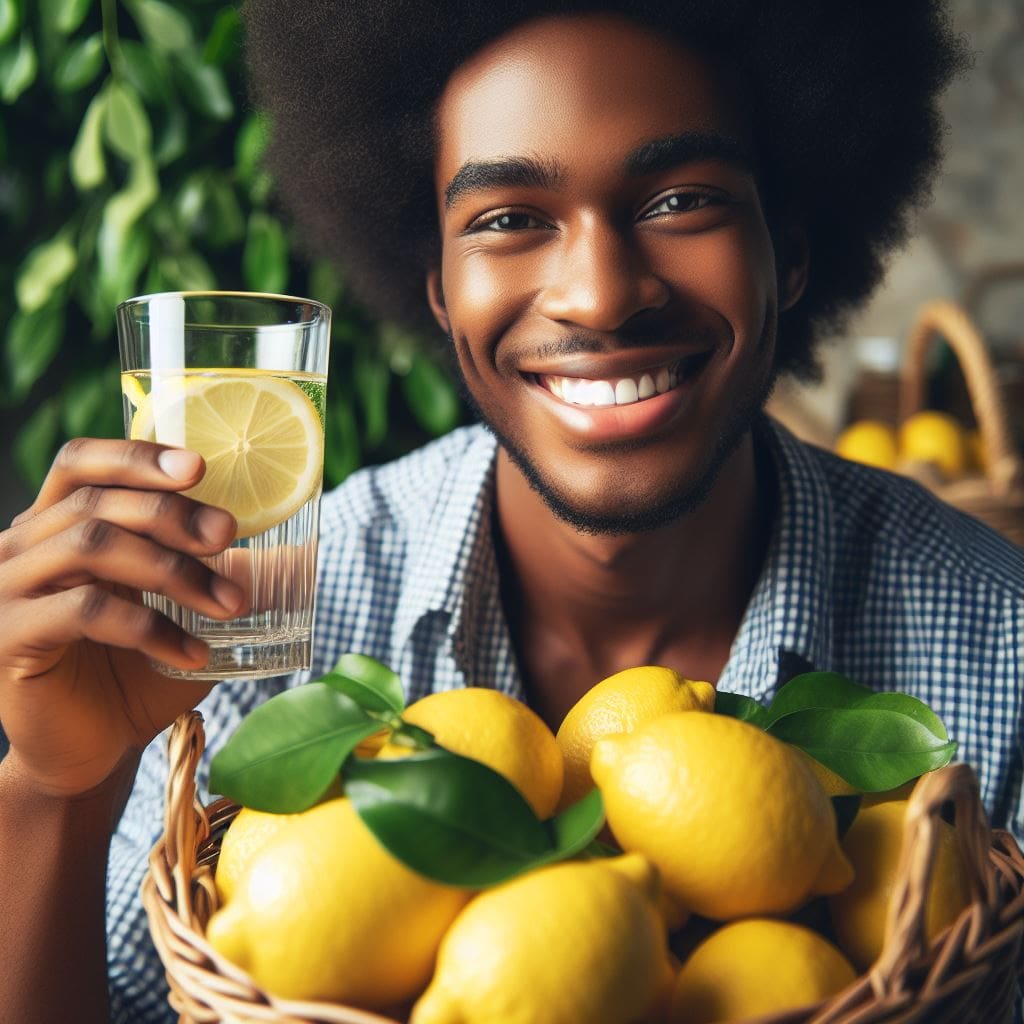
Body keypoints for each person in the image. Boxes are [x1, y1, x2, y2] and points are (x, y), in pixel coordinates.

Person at [1, 2, 1021, 1022]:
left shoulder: (999, 646)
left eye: (679, 200)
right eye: (506, 219)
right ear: (437, 286)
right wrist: (59, 790)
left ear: (787, 254)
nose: (599, 295)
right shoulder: (265, 614)